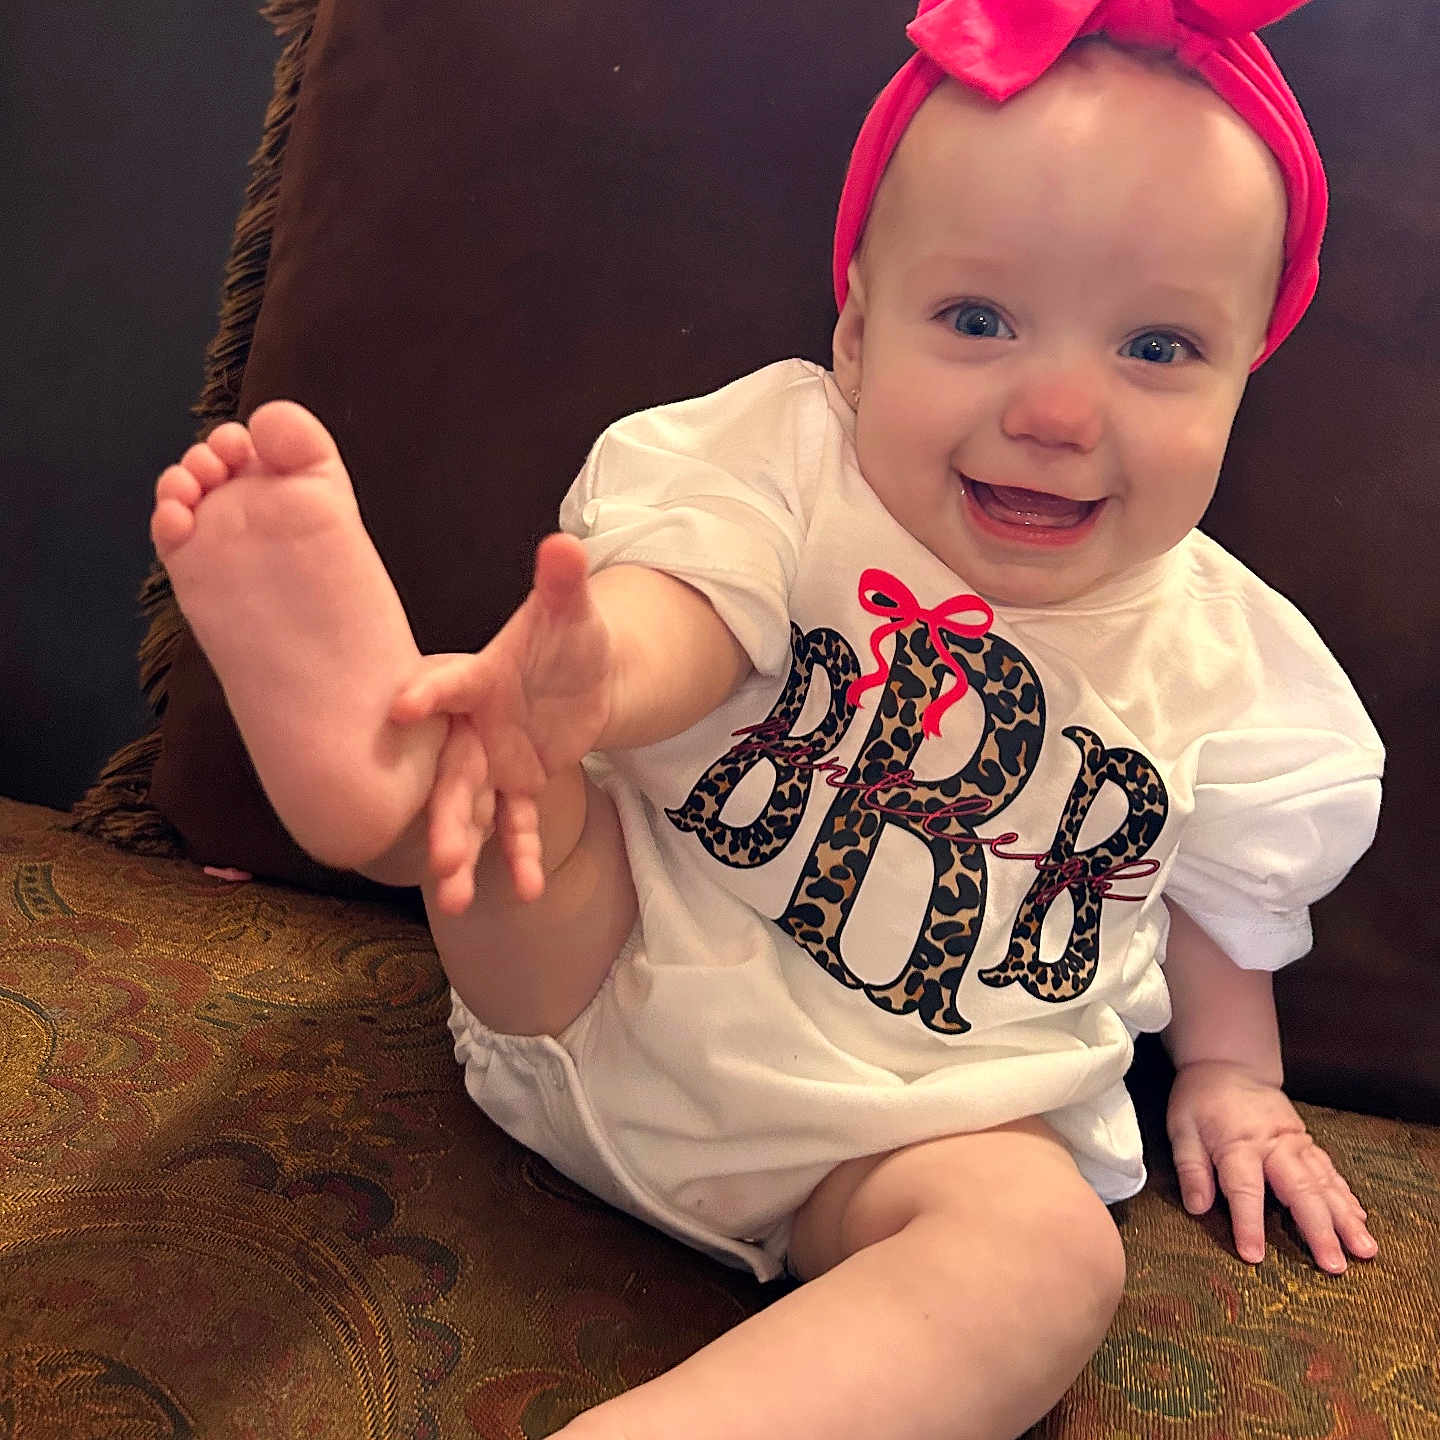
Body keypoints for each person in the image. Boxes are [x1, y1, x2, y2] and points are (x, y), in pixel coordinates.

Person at [149, 1, 1384, 1435]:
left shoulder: (1235, 660)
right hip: (604, 987)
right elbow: (697, 601)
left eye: (1160, 348)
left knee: (1048, 1251)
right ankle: (400, 763)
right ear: (858, 332)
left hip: (908, 1151)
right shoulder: (794, 457)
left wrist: (1237, 1078)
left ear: (1246, 380)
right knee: (544, 799)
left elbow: (1223, 891)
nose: (1057, 408)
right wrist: (594, 677)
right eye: (978, 321)